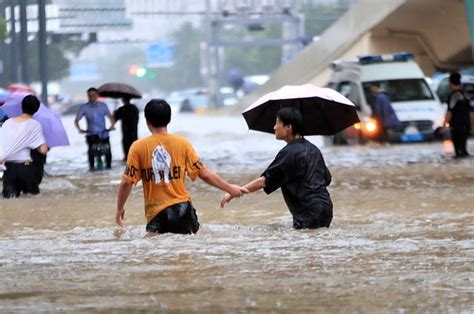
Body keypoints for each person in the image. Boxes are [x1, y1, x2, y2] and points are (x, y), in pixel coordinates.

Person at [115, 99, 248, 234]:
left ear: (147, 121)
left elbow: (127, 181)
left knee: (156, 253)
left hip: (157, 214)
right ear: (169, 119)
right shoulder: (183, 143)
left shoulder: (138, 147)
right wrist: (230, 188)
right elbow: (204, 174)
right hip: (184, 210)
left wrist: (119, 208)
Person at [221, 107, 333, 230]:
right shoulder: (314, 150)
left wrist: (236, 191)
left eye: (277, 123)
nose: (274, 127)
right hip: (326, 207)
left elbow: (265, 181)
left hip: (308, 211)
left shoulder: (288, 153)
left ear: (288, 127)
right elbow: (326, 179)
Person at [0, 95, 48, 198]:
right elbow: (43, 150)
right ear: (36, 109)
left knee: (10, 201)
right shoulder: (34, 125)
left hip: (8, 169)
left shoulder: (7, 123)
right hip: (25, 169)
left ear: (22, 106)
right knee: (32, 200)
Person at [74, 87, 114, 171]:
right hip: (91, 134)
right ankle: (92, 168)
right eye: (89, 95)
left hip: (104, 133)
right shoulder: (84, 107)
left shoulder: (103, 106)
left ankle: (109, 167)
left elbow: (110, 117)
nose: (92, 97)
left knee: (108, 152)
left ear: (97, 95)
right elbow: (77, 120)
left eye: (93, 95)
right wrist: (80, 129)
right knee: (91, 152)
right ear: (87, 96)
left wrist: (112, 126)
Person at [444, 72, 472, 158]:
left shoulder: (452, 96)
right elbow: (471, 112)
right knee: (463, 149)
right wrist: (472, 126)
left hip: (456, 127)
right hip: (466, 126)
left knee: (458, 151)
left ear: (450, 83)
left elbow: (449, 112)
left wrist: (444, 124)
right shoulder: (466, 96)